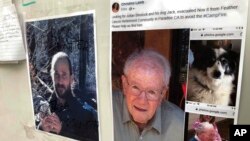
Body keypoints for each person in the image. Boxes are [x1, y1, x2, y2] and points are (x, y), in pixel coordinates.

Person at [113, 49, 184, 141]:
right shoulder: (104, 109)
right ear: (125, 85)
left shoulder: (180, 126)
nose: (142, 101)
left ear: (162, 94)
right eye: (136, 87)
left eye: (151, 92)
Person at [38, 52, 98, 141]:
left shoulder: (85, 115)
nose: (60, 81)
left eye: (64, 75)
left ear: (71, 78)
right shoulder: (43, 110)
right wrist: (40, 130)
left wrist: (62, 131)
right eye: (56, 74)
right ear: (52, 76)